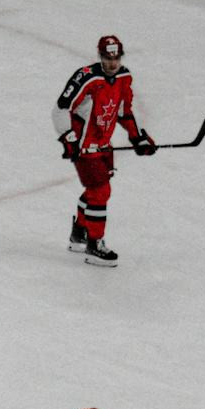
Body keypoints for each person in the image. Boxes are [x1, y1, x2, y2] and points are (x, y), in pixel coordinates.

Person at [54, 35, 154, 267]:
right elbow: (60, 109)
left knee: (96, 191)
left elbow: (124, 112)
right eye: (108, 58)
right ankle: (94, 245)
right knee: (100, 191)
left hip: (103, 145)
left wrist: (138, 137)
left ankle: (79, 234)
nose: (113, 63)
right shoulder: (86, 77)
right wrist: (69, 139)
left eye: (116, 58)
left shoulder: (124, 77)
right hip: (83, 145)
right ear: (100, 56)